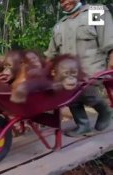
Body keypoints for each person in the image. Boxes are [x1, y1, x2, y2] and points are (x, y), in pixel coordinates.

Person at [44, 0, 113, 137]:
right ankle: (83, 125)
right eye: (61, 1)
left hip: (91, 68)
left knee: (85, 89)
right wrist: (43, 71)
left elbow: (108, 41)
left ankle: (105, 111)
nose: (64, 3)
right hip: (69, 72)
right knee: (66, 92)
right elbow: (51, 54)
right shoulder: (60, 25)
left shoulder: (94, 12)